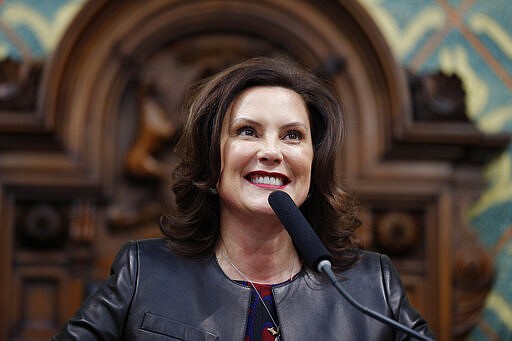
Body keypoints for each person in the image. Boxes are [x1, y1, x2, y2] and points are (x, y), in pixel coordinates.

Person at [54, 57, 435, 340]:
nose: (272, 151)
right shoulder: (143, 273)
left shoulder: (371, 287)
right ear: (211, 161)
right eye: (248, 131)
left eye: (292, 136)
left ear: (312, 164)